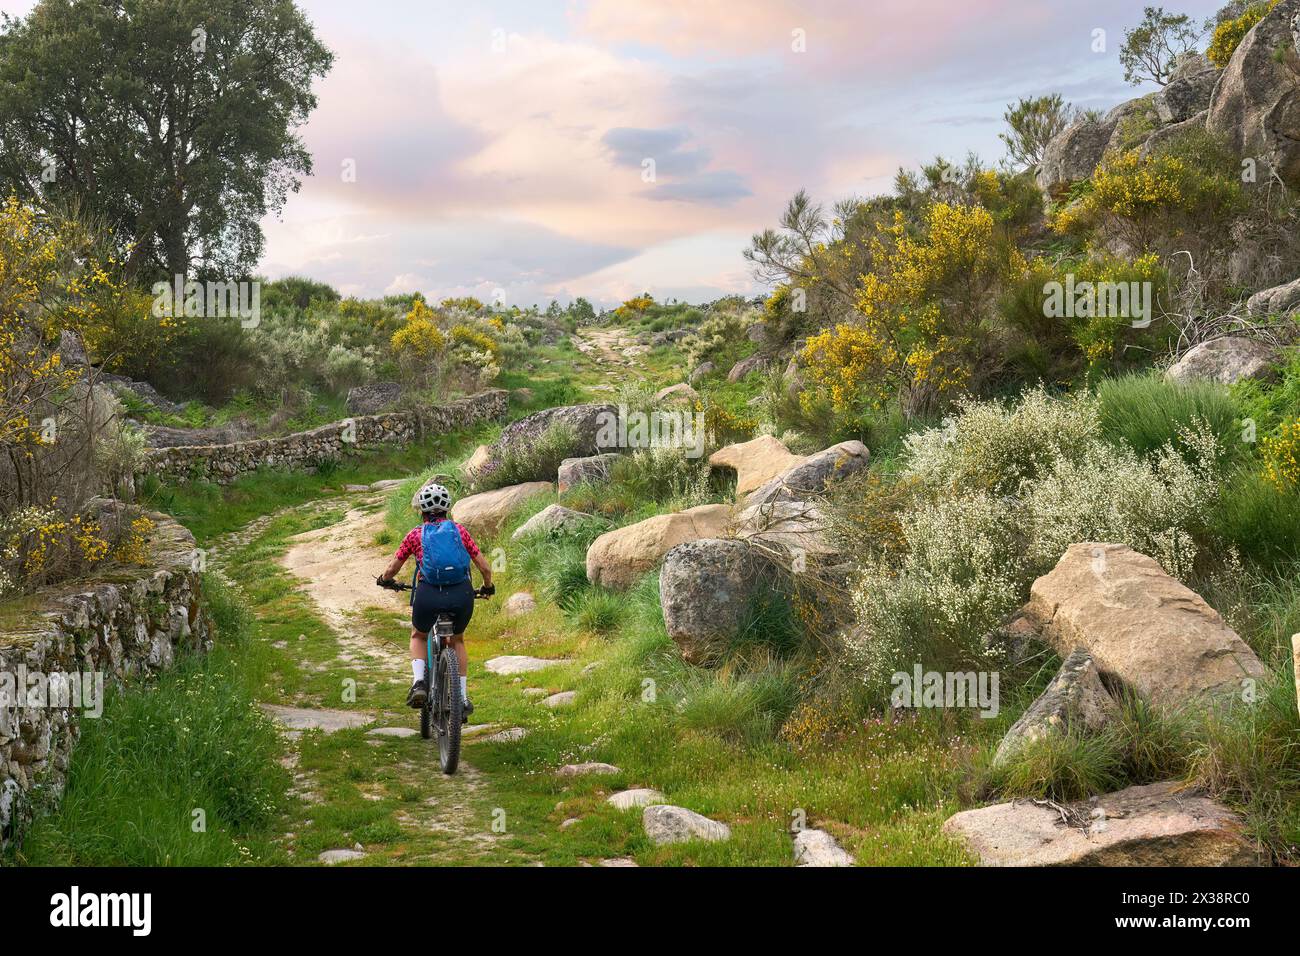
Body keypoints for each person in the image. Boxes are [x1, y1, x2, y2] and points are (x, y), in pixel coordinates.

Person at [377, 481, 493, 715]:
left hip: (428, 594)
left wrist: (384, 580)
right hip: (461, 594)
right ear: (447, 508)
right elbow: (484, 567)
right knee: (457, 640)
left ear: (421, 509)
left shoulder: (415, 535)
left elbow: (393, 568)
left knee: (418, 635)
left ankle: (419, 683)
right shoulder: (459, 531)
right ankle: (461, 698)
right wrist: (487, 587)